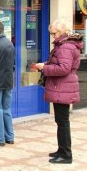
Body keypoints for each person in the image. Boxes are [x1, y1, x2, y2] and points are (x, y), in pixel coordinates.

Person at [35, 19, 82, 164]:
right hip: (62, 87)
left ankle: (66, 155)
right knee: (61, 121)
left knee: (62, 122)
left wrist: (44, 68)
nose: (52, 36)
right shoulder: (65, 45)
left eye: (54, 33)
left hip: (63, 87)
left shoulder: (65, 46)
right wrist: (46, 64)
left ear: (62, 32)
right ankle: (61, 150)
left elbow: (64, 68)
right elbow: (60, 64)